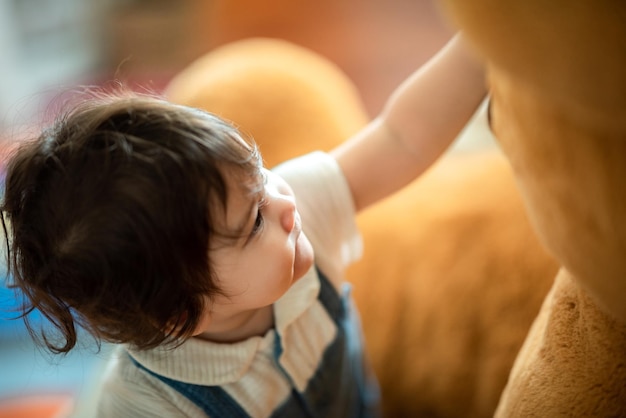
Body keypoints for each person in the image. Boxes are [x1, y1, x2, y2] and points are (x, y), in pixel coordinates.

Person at [1, 34, 485, 417]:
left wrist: (484, 46)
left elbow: (402, 137)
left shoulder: (295, 206)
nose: (284, 203)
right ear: (184, 313)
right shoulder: (151, 406)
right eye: (254, 221)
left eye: (260, 169)